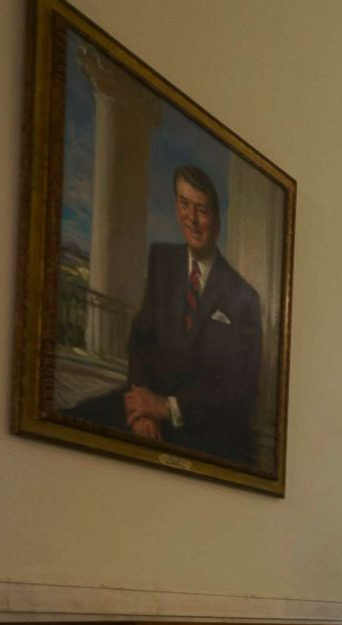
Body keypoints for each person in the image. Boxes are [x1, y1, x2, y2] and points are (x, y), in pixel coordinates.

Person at [118, 165, 262, 465]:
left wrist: (167, 408)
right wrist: (142, 409)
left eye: (202, 210)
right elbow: (140, 341)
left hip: (206, 434)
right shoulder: (161, 259)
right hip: (148, 417)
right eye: (184, 204)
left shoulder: (244, 296)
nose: (191, 219)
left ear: (218, 220)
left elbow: (241, 391)